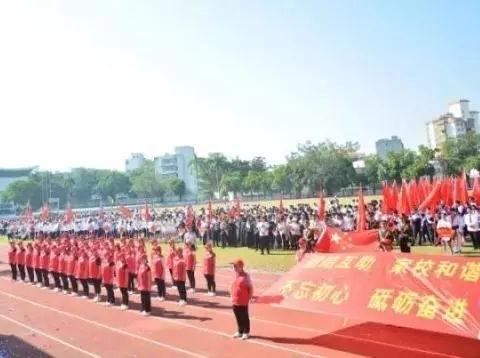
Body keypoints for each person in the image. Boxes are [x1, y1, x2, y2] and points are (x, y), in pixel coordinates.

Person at [230, 258, 253, 340]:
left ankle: (246, 332)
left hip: (243, 301)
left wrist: (250, 297)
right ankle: (240, 331)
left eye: (235, 266)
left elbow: (250, 287)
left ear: (240, 267)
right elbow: (232, 286)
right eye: (233, 266)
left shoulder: (246, 276)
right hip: (235, 300)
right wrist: (231, 296)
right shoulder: (235, 275)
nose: (234, 268)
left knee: (244, 317)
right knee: (238, 317)